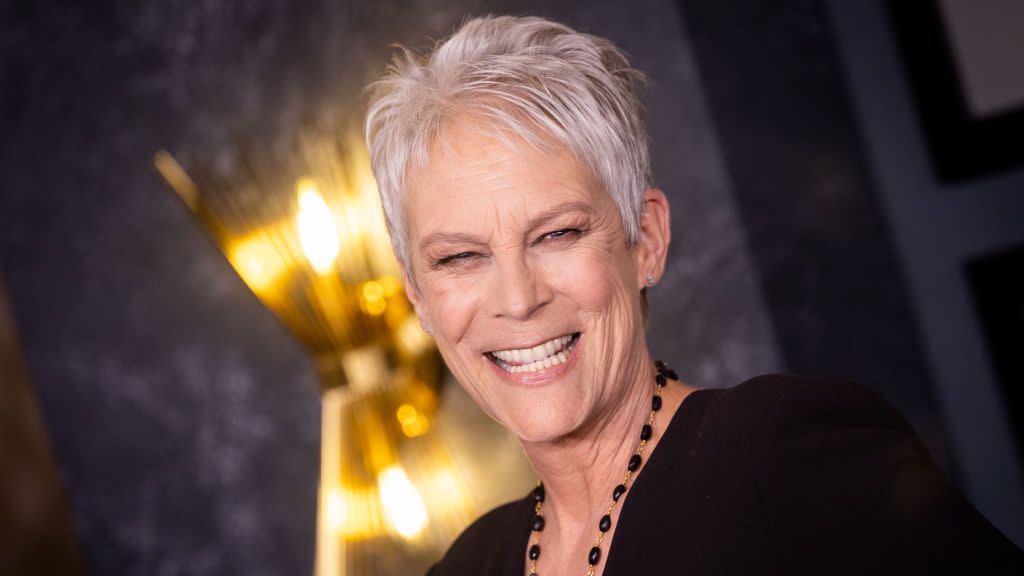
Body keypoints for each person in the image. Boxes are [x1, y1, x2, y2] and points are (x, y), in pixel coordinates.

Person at [364, 15, 1022, 575]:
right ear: (418, 298)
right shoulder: (469, 566)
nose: (517, 297)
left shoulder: (790, 461)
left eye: (558, 234)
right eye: (459, 257)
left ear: (645, 239)